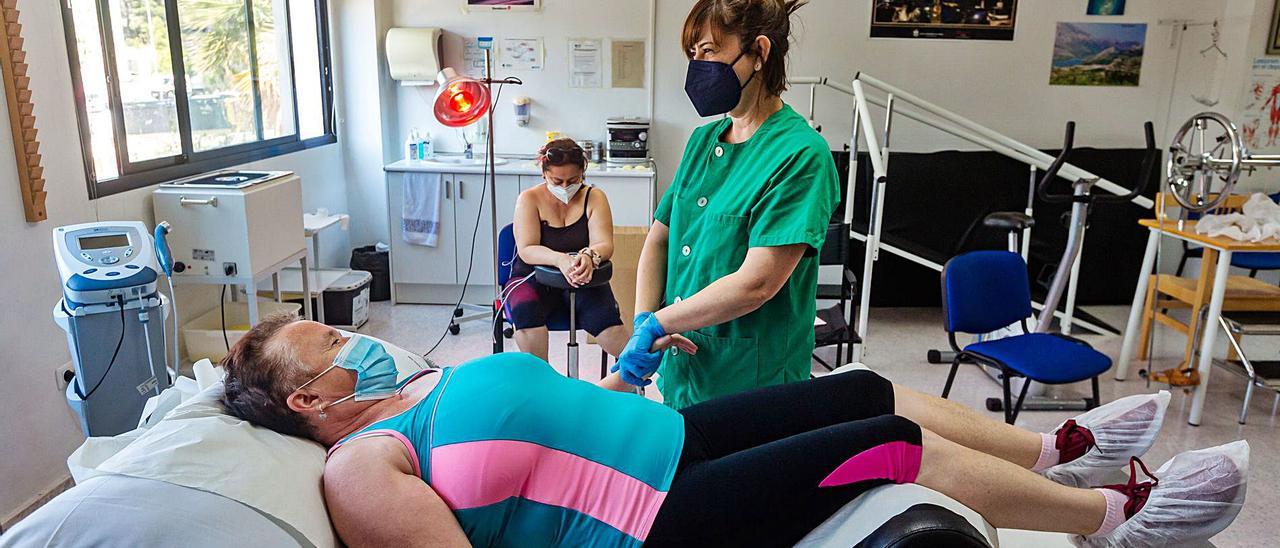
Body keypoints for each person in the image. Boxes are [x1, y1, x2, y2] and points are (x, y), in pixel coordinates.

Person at [220, 316, 1247, 548]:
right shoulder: (360, 463)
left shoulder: (413, 397)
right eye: (328, 342)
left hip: (665, 442)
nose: (354, 343)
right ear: (308, 399)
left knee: (856, 389)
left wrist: (624, 374)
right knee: (882, 447)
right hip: (650, 523)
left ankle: (1064, 448)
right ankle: (1106, 517)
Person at [617, 0, 842, 408]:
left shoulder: (800, 155)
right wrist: (641, 322)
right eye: (692, 54)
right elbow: (661, 239)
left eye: (708, 51)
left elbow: (757, 284)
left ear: (758, 52)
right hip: (684, 368)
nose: (697, 65)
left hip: (751, 381)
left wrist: (658, 324)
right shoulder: (703, 141)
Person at [505, 139, 637, 361]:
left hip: (581, 276)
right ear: (544, 173)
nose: (565, 188)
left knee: (607, 324)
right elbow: (527, 249)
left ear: (583, 173)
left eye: (573, 180)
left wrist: (589, 256)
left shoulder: (594, 197)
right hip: (532, 275)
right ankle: (545, 386)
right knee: (527, 316)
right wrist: (560, 260)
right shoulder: (529, 199)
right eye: (557, 180)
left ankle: (633, 382)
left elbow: (604, 244)